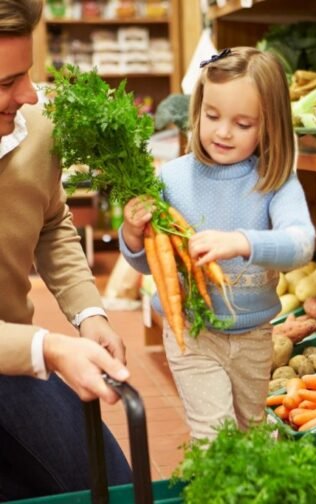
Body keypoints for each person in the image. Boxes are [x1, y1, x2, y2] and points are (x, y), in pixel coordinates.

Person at [120, 46, 316, 440]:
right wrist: (132, 234)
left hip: (256, 337)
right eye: (212, 116)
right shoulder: (171, 179)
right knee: (215, 438)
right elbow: (149, 264)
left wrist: (241, 242)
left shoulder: (274, 182)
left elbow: (301, 244)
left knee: (251, 435)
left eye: (243, 124)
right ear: (198, 110)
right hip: (192, 334)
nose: (223, 131)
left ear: (269, 126)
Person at [0, 0, 132, 499]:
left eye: (27, 73)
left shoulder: (36, 126)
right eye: (6, 83)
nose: (30, 93)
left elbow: (52, 221)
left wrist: (89, 313)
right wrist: (50, 348)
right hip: (26, 352)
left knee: (110, 482)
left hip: (13, 359)